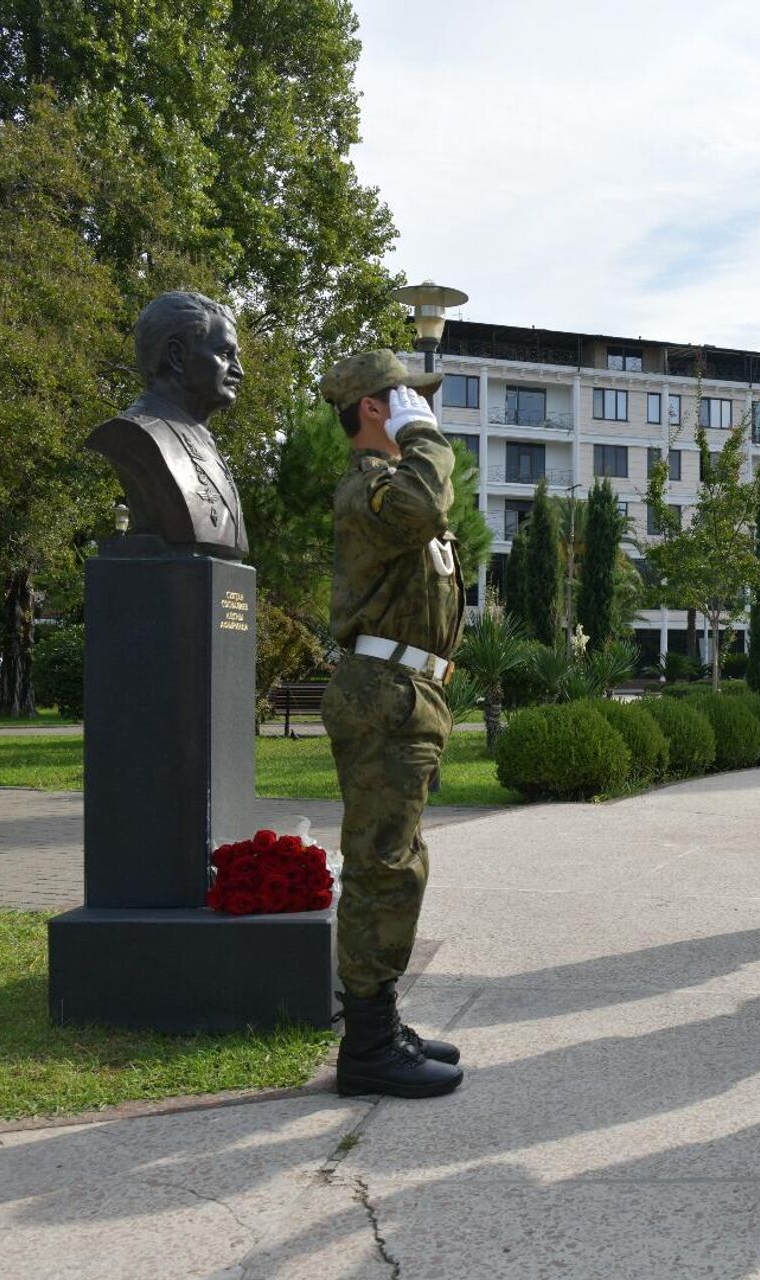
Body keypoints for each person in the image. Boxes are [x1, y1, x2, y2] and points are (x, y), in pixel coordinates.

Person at [319, 348, 468, 1096]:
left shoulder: (393, 486)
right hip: (384, 693)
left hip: (407, 692)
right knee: (383, 869)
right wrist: (427, 441)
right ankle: (368, 1048)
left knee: (397, 864)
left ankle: (382, 1024)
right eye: (411, 397)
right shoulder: (372, 488)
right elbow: (426, 507)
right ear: (376, 407)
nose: (425, 408)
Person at [86, 291, 249, 559]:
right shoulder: (139, 436)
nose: (238, 370)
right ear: (177, 356)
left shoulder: (206, 444)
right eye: (225, 354)